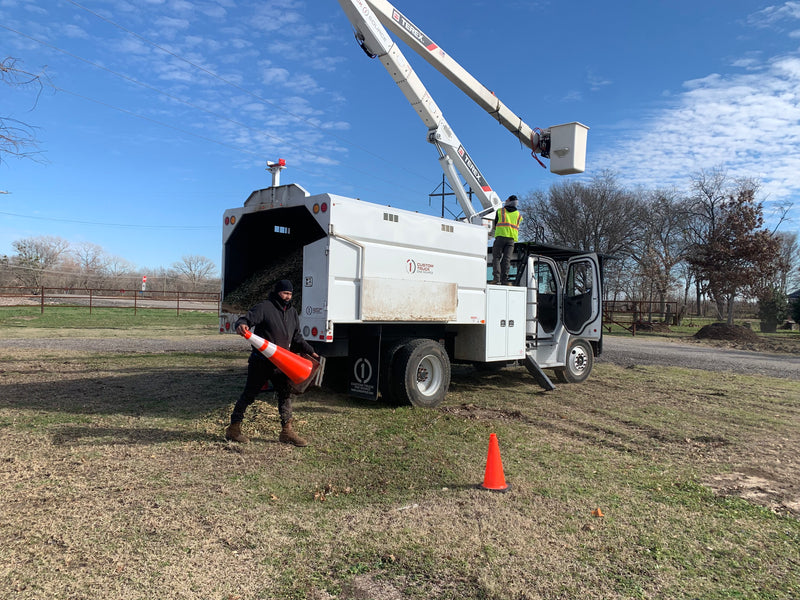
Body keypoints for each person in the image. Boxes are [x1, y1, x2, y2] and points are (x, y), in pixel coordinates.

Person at [225, 279, 319, 446]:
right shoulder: (264, 307)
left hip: (282, 363)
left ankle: (287, 432)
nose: (287, 297)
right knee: (249, 394)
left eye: (290, 294)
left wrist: (310, 349)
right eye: (285, 293)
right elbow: (245, 320)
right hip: (261, 362)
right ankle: (233, 429)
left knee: (285, 395)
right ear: (277, 292)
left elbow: (296, 337)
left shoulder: (292, 313)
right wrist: (242, 325)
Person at [491, 195, 523, 285]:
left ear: (509, 201)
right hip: (511, 240)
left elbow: (495, 225)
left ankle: (496, 278)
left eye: (507, 199)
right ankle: (504, 280)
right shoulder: (518, 215)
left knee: (496, 258)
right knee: (507, 259)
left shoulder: (500, 211)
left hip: (500, 237)